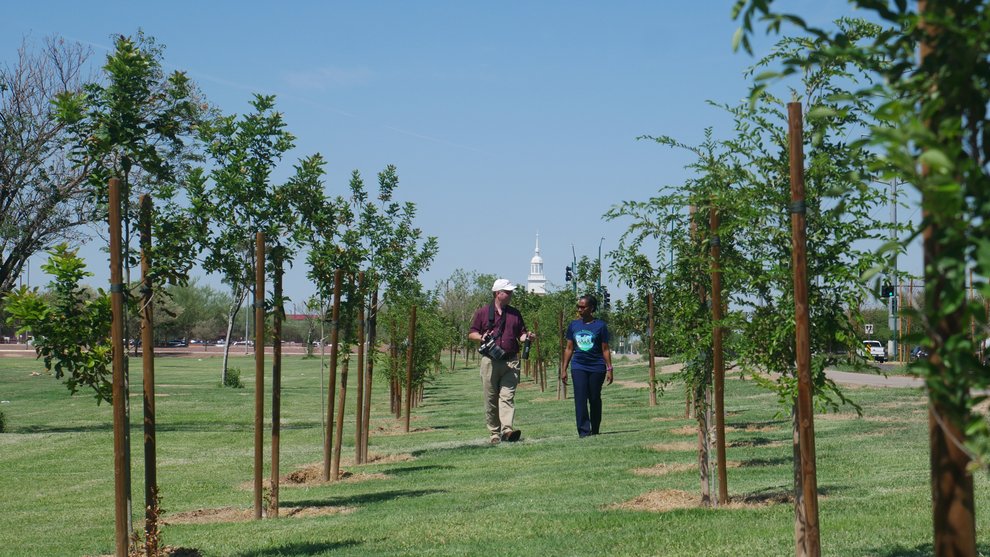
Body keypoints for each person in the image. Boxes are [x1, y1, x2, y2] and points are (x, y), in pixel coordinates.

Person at [468, 278, 534, 444]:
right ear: (498, 293)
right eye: (508, 291)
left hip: (511, 361)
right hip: (490, 361)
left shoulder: (515, 313)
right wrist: (481, 337)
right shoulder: (483, 312)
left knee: (507, 397)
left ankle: (507, 430)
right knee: (491, 398)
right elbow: (472, 333)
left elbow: (521, 334)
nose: (511, 294)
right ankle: (494, 434)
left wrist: (528, 337)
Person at [560, 294, 613, 438]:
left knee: (594, 398)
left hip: (597, 366)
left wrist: (609, 368)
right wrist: (564, 369)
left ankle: (595, 428)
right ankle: (584, 431)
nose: (579, 309)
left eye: (583, 307)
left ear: (592, 308)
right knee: (580, 398)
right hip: (579, 366)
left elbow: (605, 349)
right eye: (578, 306)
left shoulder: (600, 326)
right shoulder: (574, 325)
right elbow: (569, 348)